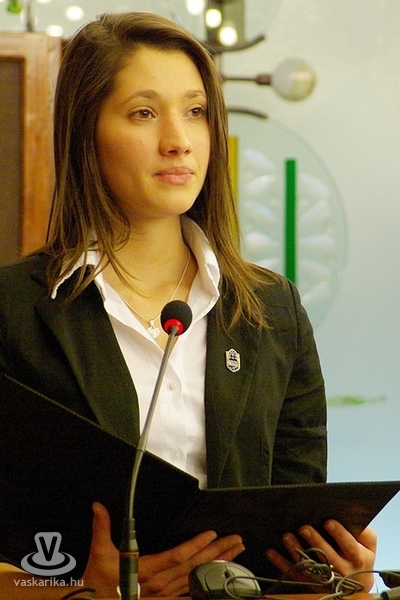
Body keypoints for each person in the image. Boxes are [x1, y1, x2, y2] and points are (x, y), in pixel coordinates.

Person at [0, 11, 376, 599]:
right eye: (144, 113)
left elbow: (289, 533)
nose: (178, 139)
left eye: (196, 111)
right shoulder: (14, 310)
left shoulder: (272, 310)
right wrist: (78, 588)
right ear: (85, 132)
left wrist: (336, 579)